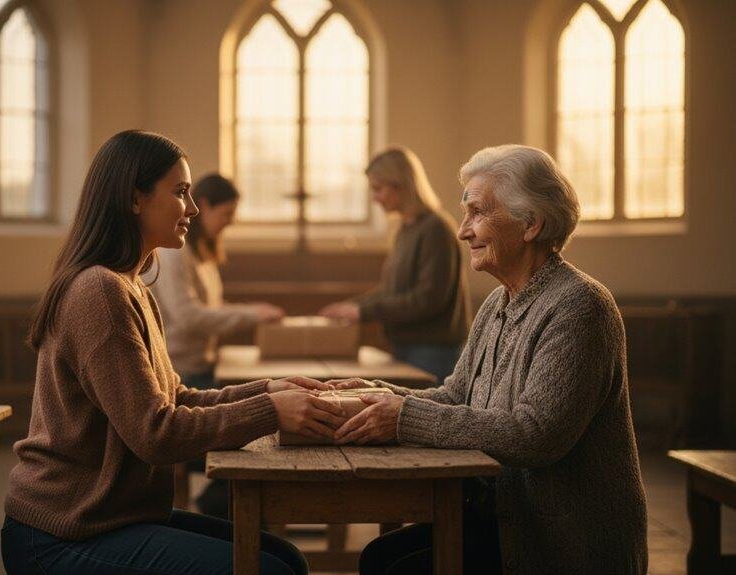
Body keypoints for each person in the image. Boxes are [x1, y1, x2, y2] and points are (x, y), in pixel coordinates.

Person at [2, 130, 348, 575]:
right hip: (62, 532)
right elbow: (156, 434)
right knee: (274, 571)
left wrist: (268, 389)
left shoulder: (131, 286)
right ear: (134, 199)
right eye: (181, 192)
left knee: (286, 558)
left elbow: (175, 398)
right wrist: (270, 411)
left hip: (111, 516)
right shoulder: (100, 291)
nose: (193, 208)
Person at [330, 145, 648, 574]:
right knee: (380, 557)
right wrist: (377, 394)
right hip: (502, 519)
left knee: (392, 568)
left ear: (530, 224)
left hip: (560, 542)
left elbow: (537, 435)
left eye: (478, 213)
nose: (463, 231)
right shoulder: (499, 301)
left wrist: (402, 417)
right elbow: (456, 394)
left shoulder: (580, 306)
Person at [151, 173, 284, 519]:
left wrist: (250, 312)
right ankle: (224, 511)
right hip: (183, 367)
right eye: (225, 215)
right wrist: (251, 315)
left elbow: (211, 310)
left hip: (203, 363)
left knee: (259, 430)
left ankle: (244, 514)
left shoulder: (202, 253)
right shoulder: (175, 255)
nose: (228, 224)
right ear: (204, 206)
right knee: (253, 442)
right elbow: (189, 316)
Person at [320, 147, 471, 384]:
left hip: (432, 351)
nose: (374, 198)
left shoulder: (435, 228)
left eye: (378, 189)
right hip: (405, 345)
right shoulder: (405, 229)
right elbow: (391, 291)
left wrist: (363, 312)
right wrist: (353, 306)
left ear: (399, 185)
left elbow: (428, 299)